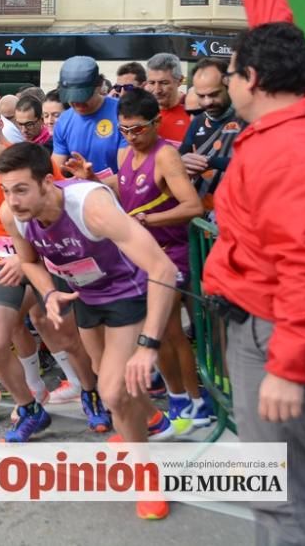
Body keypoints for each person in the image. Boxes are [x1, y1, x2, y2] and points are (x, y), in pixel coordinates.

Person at [204, 0, 305, 543]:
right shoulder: (303, 104)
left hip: (275, 328)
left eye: (231, 74)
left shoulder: (288, 156)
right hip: (267, 321)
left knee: (282, 491)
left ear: (252, 79)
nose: (226, 83)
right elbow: (274, 24)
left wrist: (286, 363)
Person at [0, 141, 179, 520]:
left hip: (128, 295)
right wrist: (48, 292)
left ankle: (147, 476)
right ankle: (151, 420)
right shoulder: (14, 215)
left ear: (47, 182)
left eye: (21, 189)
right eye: (5, 190)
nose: (12, 201)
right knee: (106, 380)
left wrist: (149, 347)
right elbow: (29, 262)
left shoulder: (90, 206)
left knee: (113, 392)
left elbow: (163, 270)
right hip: (83, 296)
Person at [0, 100, 111, 438]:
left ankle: (91, 393)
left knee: (64, 336)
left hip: (45, 257)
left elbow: (62, 209)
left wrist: (25, 258)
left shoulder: (28, 162)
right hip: (2, 262)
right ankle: (30, 407)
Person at [113, 89, 212, 432]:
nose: (130, 136)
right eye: (123, 128)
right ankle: (180, 398)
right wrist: (89, 177)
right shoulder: (126, 150)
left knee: (168, 330)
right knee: (157, 330)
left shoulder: (166, 155)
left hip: (171, 256)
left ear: (155, 123)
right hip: (142, 255)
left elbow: (192, 207)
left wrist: (147, 221)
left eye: (137, 129)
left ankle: (195, 401)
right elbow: (121, 184)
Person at [178, 58, 242, 213]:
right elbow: (181, 155)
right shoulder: (197, 121)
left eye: (214, 94)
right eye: (201, 96)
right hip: (202, 215)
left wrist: (211, 162)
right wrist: (182, 162)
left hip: (237, 211)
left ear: (228, 85)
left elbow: (254, 166)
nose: (207, 102)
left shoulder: (247, 117)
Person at [52, 56, 127, 185]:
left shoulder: (123, 114)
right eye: (71, 97)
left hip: (120, 197)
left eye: (82, 96)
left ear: (99, 85)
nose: (77, 103)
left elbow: (128, 174)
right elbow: (56, 171)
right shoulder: (64, 121)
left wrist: (92, 182)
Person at [145, 53, 191, 145]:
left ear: (180, 80)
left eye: (164, 83)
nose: (157, 90)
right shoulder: (141, 111)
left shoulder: (194, 112)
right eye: (152, 83)